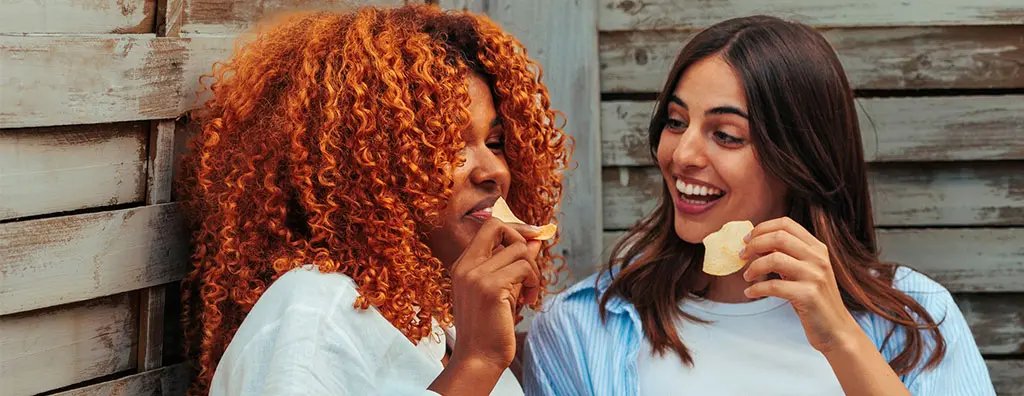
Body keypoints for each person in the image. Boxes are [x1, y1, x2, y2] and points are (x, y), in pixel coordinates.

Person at [523, 15, 994, 395]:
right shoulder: (580, 329)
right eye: (675, 121)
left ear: (800, 157)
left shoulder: (918, 319)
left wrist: (841, 339)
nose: (682, 155)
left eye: (726, 135)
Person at [177, 5, 570, 395]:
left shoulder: (440, 322)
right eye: (447, 143)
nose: (493, 171)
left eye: (495, 142)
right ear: (362, 163)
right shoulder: (312, 314)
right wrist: (478, 362)